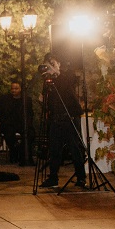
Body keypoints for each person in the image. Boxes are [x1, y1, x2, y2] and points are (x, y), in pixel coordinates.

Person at [38, 53, 87, 189]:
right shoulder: (48, 81)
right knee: (54, 150)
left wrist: (55, 72)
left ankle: (81, 178)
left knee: (75, 149)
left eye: (53, 63)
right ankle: (53, 178)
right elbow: (50, 104)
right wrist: (43, 101)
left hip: (70, 117)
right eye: (48, 64)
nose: (50, 67)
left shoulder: (67, 76)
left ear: (58, 63)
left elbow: (67, 86)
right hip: (56, 119)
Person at [0, 81, 35, 165]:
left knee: (30, 133)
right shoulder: (4, 99)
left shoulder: (26, 100)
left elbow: (30, 113)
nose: (13, 90)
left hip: (21, 123)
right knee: (9, 133)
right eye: (12, 88)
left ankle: (23, 153)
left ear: (21, 89)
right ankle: (14, 151)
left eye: (16, 88)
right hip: (8, 123)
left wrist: (28, 123)